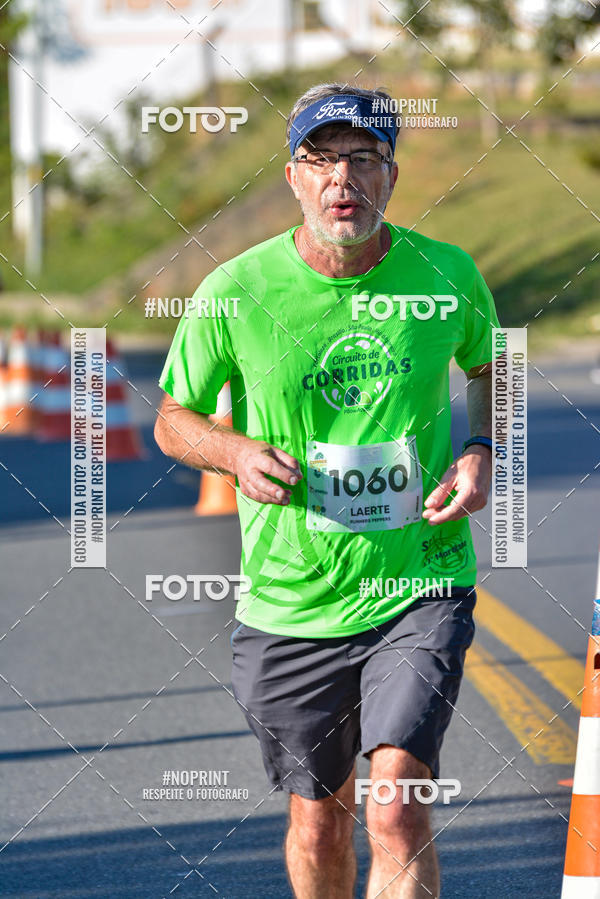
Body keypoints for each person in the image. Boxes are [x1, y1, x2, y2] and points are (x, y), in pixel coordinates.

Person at [155, 82, 499, 898]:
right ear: (292, 177)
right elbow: (174, 417)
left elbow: (495, 371)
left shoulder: (446, 274)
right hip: (290, 599)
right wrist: (233, 451)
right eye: (321, 159)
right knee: (320, 820)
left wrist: (481, 445)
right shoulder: (236, 291)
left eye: (362, 159)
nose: (341, 178)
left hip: (420, 579)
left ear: (390, 174)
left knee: (395, 810)